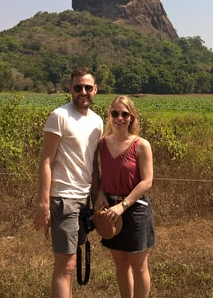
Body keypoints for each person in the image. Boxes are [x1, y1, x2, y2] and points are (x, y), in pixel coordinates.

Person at [33, 66, 103, 298]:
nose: (82, 92)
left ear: (96, 90)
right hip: (63, 198)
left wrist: (96, 200)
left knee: (71, 262)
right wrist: (44, 204)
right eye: (77, 87)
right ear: (70, 89)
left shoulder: (97, 122)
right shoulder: (59, 116)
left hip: (84, 200)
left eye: (87, 87)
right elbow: (46, 161)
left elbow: (92, 165)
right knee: (66, 265)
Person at [95, 95, 155, 298]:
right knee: (120, 263)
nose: (119, 118)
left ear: (131, 117)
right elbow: (104, 174)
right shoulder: (102, 144)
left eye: (124, 114)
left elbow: (147, 181)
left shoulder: (141, 145)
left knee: (138, 265)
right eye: (115, 113)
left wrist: (123, 204)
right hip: (110, 210)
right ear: (109, 115)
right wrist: (101, 193)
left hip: (135, 208)